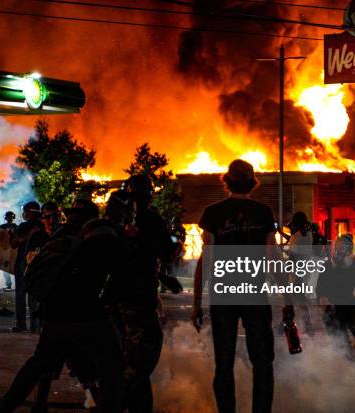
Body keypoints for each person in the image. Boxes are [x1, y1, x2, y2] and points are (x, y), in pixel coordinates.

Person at [0, 204, 125, 413]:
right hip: (86, 312)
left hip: (55, 314)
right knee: (112, 363)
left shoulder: (60, 238)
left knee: (41, 364)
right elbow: (118, 275)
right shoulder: (100, 237)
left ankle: (8, 408)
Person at [192, 159, 275, 413]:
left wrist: (197, 303)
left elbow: (206, 258)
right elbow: (272, 257)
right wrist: (289, 299)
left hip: (224, 295)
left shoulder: (213, 213)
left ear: (226, 181)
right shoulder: (263, 212)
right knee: (262, 363)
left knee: (224, 363)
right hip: (255, 294)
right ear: (252, 182)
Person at [113, 174, 175, 413]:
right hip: (139, 298)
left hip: (117, 298)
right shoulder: (151, 219)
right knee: (142, 357)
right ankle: (117, 402)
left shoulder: (116, 221)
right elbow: (166, 251)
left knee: (127, 354)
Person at [10, 201, 46, 333]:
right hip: (40, 263)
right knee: (35, 295)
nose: (24, 214)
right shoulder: (45, 225)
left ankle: (21, 325)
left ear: (29, 212)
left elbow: (15, 243)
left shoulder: (24, 226)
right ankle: (36, 326)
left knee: (21, 295)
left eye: (25, 211)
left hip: (23, 263)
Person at [0, 211, 18, 289]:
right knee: (5, 267)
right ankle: (8, 284)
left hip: (13, 249)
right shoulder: (2, 226)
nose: (9, 218)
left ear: (13, 218)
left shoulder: (16, 226)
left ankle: (17, 284)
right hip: (5, 249)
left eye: (10, 217)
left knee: (15, 267)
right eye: (8, 216)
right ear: (5, 218)